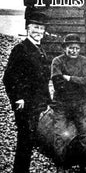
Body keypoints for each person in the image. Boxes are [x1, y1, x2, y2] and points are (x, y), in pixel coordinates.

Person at [3, 11, 52, 173]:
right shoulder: (21, 48)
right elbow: (9, 77)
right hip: (25, 104)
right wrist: (18, 98)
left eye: (41, 28)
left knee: (30, 140)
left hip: (38, 102)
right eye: (36, 27)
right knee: (25, 139)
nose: (39, 31)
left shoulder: (40, 50)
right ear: (28, 29)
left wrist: (47, 99)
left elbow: (42, 79)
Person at [51, 34, 86, 172]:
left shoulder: (83, 60)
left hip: (81, 103)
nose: (74, 51)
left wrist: (69, 78)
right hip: (61, 104)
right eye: (70, 48)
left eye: (76, 48)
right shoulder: (57, 61)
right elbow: (58, 83)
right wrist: (78, 82)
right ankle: (60, 166)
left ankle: (84, 165)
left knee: (85, 134)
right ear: (65, 48)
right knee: (60, 135)